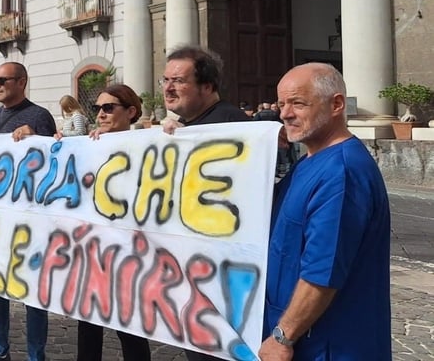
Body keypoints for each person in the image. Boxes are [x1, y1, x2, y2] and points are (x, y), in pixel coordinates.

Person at [259, 63, 390, 360]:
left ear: (336, 105)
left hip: (328, 345)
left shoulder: (341, 172)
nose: (285, 113)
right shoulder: (308, 161)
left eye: (298, 103)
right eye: (281, 104)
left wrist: (282, 336)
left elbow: (322, 271)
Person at [0, 62, 57, 361]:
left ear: (22, 82)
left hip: (30, 221)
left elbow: (53, 156)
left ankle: (35, 354)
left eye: (3, 79)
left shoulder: (39, 116)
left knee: (32, 290)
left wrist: (35, 135)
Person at [159, 46, 248, 361]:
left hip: (220, 276)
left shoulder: (229, 121)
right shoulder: (188, 126)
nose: (169, 88)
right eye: (166, 80)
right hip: (192, 271)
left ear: (207, 86)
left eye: (179, 81)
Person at [74, 84, 153, 361]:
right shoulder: (89, 145)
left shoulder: (149, 145)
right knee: (88, 323)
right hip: (93, 250)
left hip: (130, 253)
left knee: (130, 327)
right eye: (98, 108)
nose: (102, 114)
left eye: (109, 108)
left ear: (131, 112)